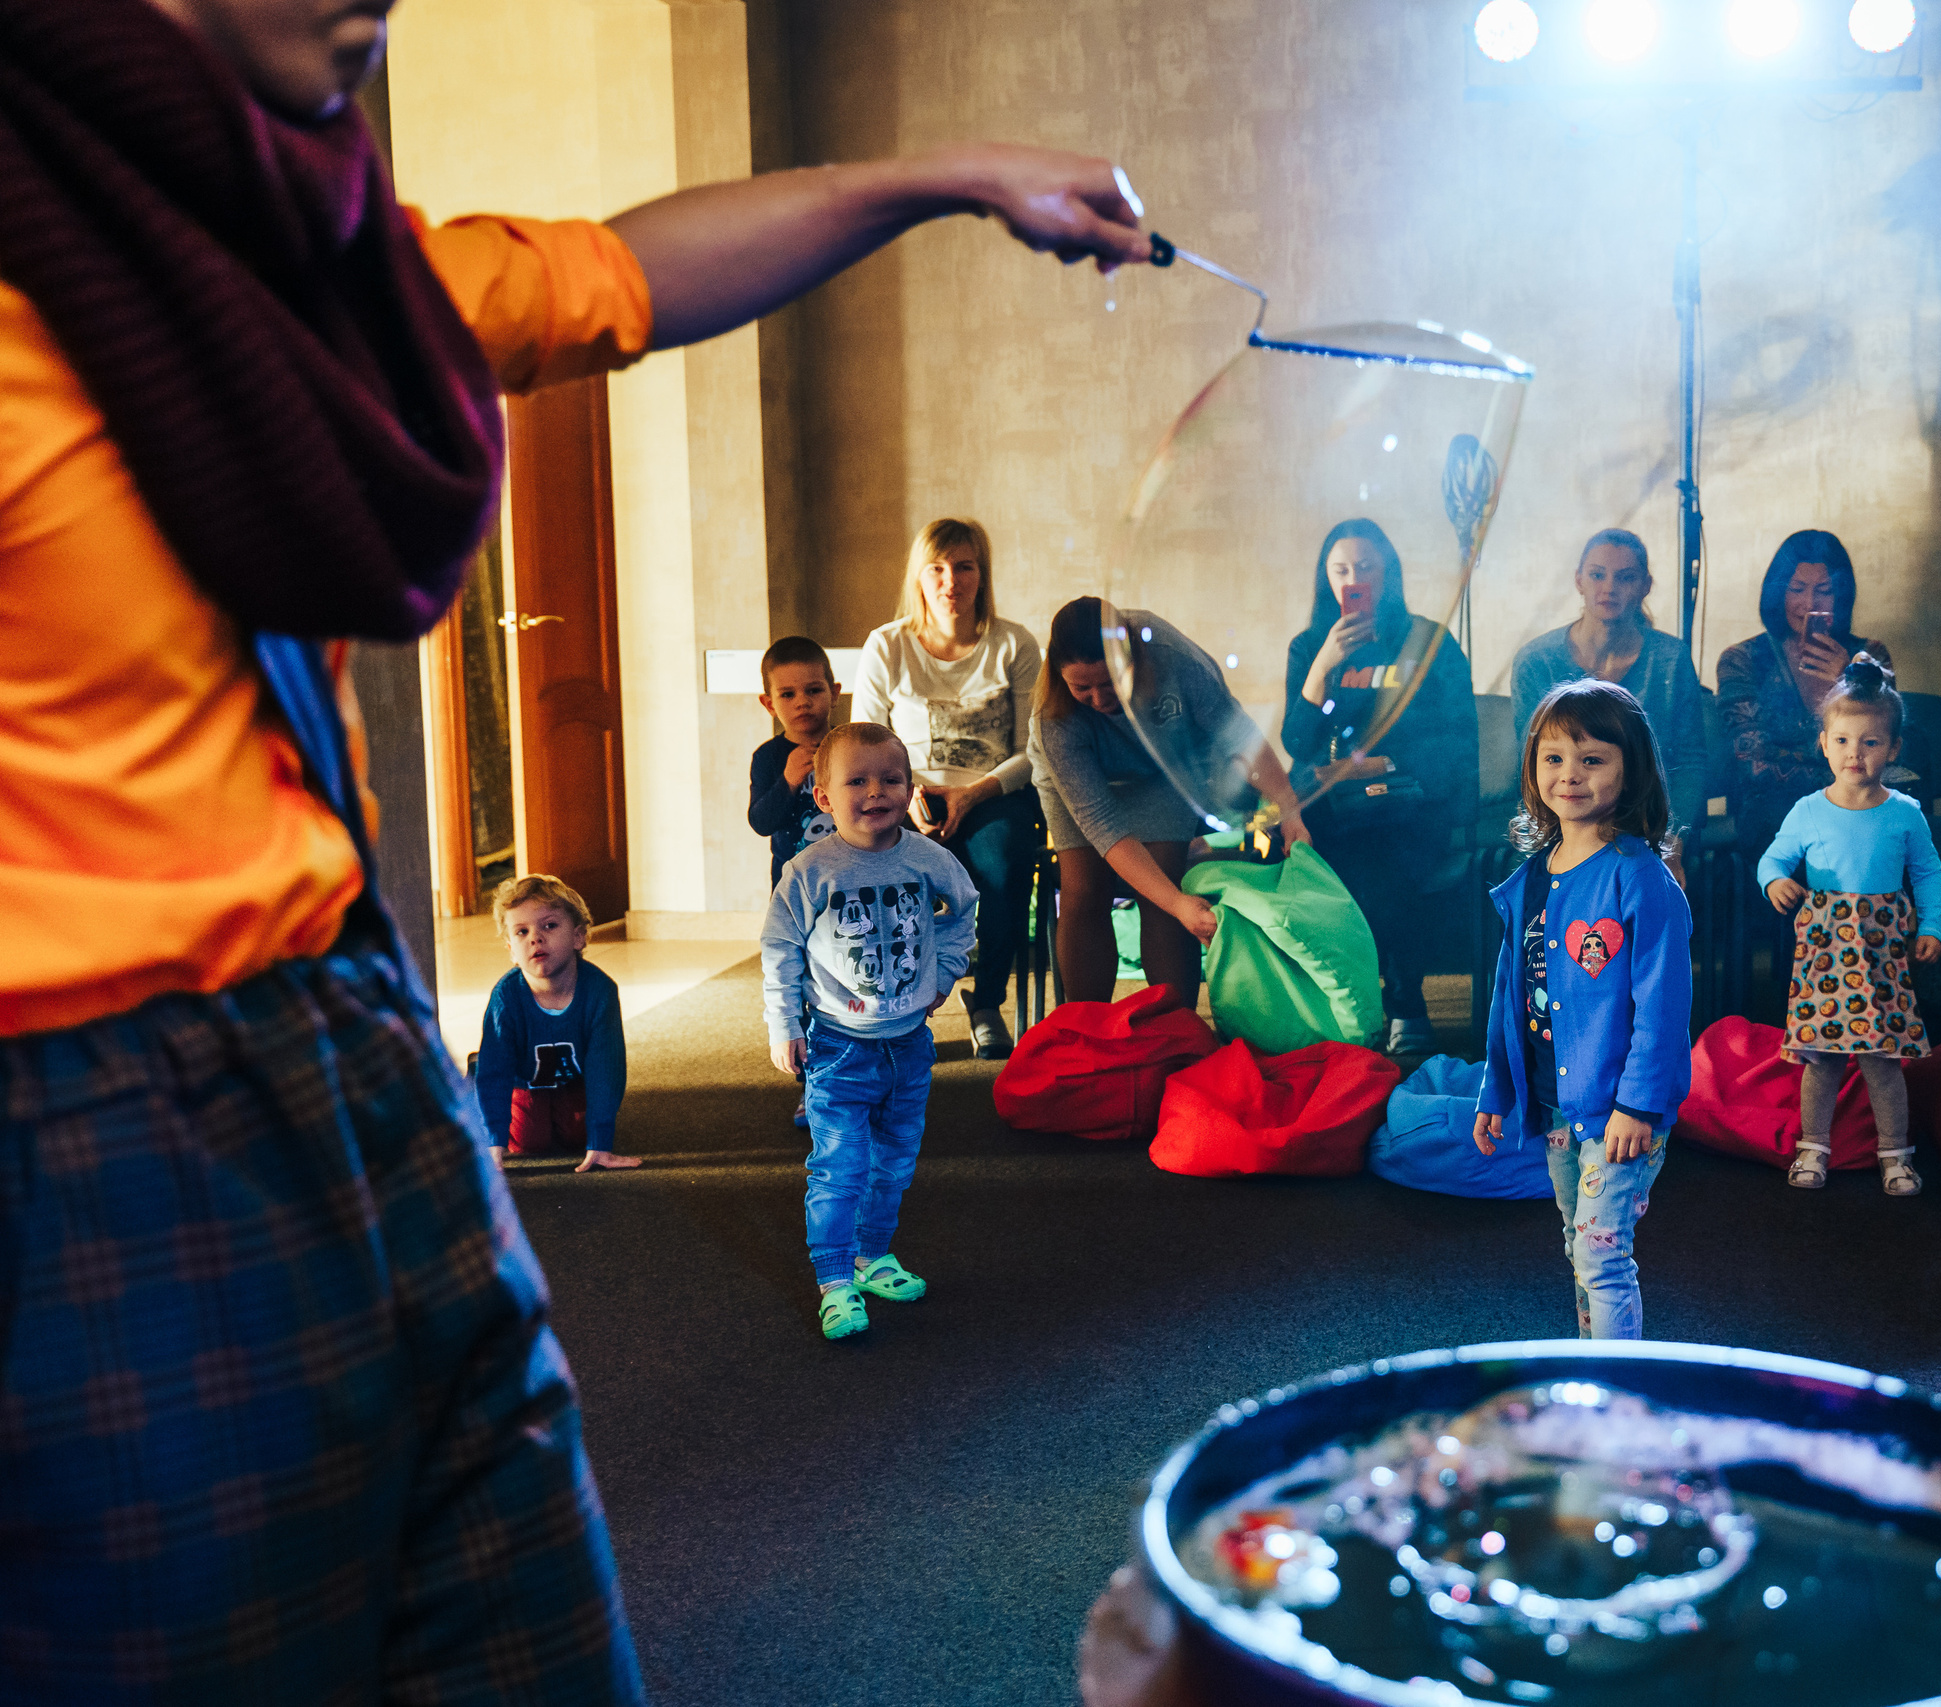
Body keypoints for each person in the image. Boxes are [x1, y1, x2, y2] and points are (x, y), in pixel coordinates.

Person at [0, 0, 1151, 1692]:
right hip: (92, 1130)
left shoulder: (296, 268)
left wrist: (945, 173)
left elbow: (614, 274)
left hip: (367, 1060)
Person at [1472, 680, 1692, 1340]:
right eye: (1554, 758)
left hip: (1618, 1104)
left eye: (1592, 759)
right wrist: (1498, 1088)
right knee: (1577, 1243)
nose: (1570, 774)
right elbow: (1508, 996)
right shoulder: (1534, 874)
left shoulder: (1640, 875)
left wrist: (1639, 1105)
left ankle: (1617, 1395)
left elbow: (1663, 1004)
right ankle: (1592, 1369)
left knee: (1602, 1254)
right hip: (1554, 1100)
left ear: (1631, 771)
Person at [761, 724, 978, 1338]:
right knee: (840, 1165)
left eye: (890, 778)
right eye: (856, 780)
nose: (875, 791)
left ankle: (871, 1255)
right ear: (824, 797)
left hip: (909, 1044)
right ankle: (834, 1278)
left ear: (909, 789)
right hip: (837, 1046)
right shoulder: (809, 871)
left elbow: (964, 911)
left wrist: (946, 971)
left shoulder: (929, 859)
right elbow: (779, 948)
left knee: (895, 1161)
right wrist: (784, 1025)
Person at [1032, 597, 1310, 1005]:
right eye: (1082, 688)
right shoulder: (1052, 717)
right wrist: (1180, 904)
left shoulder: (1172, 657)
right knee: (1084, 888)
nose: (1098, 698)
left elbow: (1238, 736)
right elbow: (1102, 823)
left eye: (1109, 681)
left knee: (1163, 887)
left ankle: (1176, 1023)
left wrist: (1288, 810)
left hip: (1164, 767)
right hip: (1079, 783)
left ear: (1131, 657)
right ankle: (1086, 1026)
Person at [1280, 518, 1477, 1053]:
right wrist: (1324, 664)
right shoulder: (1310, 647)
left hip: (1411, 801)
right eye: (1341, 569)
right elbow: (1298, 742)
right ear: (1326, 577)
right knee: (1329, 844)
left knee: (1381, 852)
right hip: (1335, 807)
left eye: (1365, 566)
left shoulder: (1428, 641)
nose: (1353, 578)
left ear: (1386, 571)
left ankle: (1396, 1004)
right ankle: (1387, 1006)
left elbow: (1457, 737)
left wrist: (1382, 766)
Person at [850, 517, 1043, 1059]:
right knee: (893, 875)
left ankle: (986, 1002)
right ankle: (902, 1004)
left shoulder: (1014, 645)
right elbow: (864, 742)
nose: (950, 581)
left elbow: (1033, 749)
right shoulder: (887, 646)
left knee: (1005, 866)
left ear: (982, 575)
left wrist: (974, 794)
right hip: (902, 794)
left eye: (964, 566)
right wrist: (906, 790)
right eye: (936, 568)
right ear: (919, 577)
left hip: (991, 793)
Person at [1755, 655, 1941, 1196]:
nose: (1855, 754)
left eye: (1870, 742)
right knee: (1823, 1059)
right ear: (1824, 744)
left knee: (1883, 1060)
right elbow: (1772, 860)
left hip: (1882, 949)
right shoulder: (1808, 810)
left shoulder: (1905, 812)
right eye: (1842, 740)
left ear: (1893, 748)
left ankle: (1895, 1155)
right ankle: (1813, 1147)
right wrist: (1775, 883)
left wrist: (1931, 924)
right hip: (1825, 951)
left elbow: (1929, 872)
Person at [1510, 528, 1711, 845]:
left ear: (1645, 586)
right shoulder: (1537, 661)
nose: (1609, 588)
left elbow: (1689, 762)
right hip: (1566, 816)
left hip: (1650, 821)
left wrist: (1672, 840)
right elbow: (1533, 764)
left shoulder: (1670, 659)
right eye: (1597, 575)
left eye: (1625, 577)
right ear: (1579, 580)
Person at [1717, 530, 1895, 860]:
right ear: (1778, 592)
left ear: (1841, 597)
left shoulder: (1869, 657)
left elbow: (1887, 749)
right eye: (1797, 589)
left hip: (1858, 807)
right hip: (1775, 814)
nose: (1810, 604)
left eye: (1824, 591)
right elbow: (1752, 763)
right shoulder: (1742, 660)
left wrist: (1847, 683)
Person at [474, 873, 638, 1174]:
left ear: (578, 937)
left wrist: (600, 1143)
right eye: (521, 932)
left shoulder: (600, 991)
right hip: (523, 1079)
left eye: (549, 925)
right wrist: (491, 1145)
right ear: (511, 949)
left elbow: (607, 1067)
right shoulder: (506, 997)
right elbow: (495, 1072)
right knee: (529, 1141)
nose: (535, 937)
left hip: (573, 1079)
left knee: (578, 1136)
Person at [749, 635, 842, 888]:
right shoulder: (767, 756)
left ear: (834, 693)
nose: (802, 702)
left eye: (813, 690)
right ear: (769, 704)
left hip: (849, 875)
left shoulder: (850, 747)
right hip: (792, 883)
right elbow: (761, 823)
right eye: (788, 694)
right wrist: (788, 780)